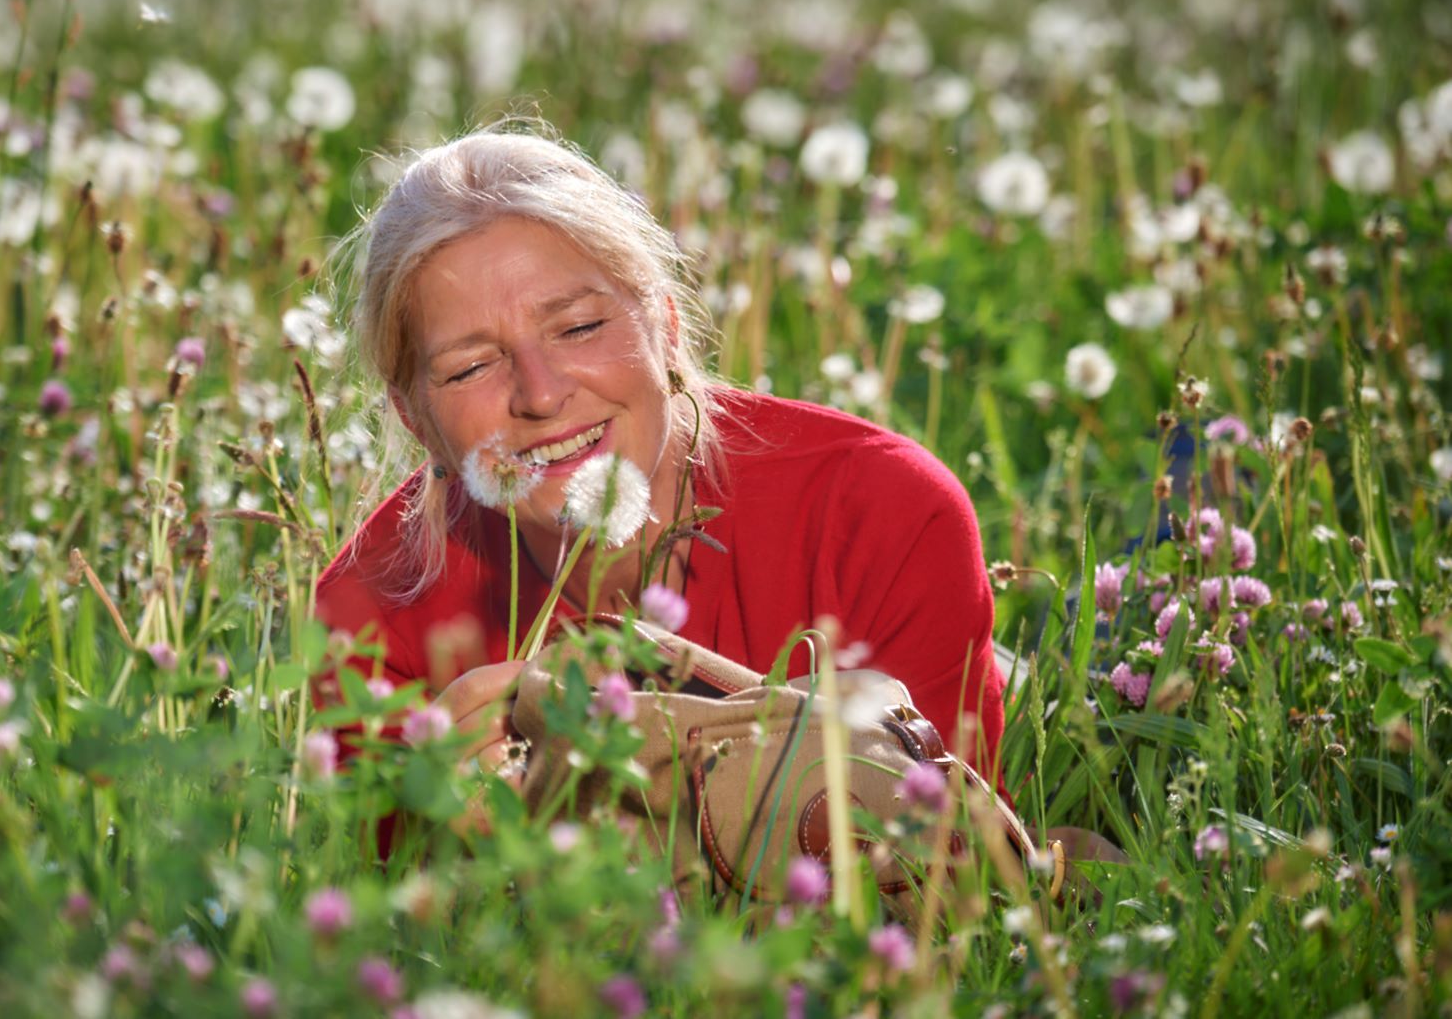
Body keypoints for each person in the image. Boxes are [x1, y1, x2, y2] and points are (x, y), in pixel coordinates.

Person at [316, 127, 1005, 795]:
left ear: (667, 328)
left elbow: (942, 871)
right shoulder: (365, 622)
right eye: (469, 368)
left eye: (580, 327)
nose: (541, 392)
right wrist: (445, 832)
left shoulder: (876, 515)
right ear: (416, 420)